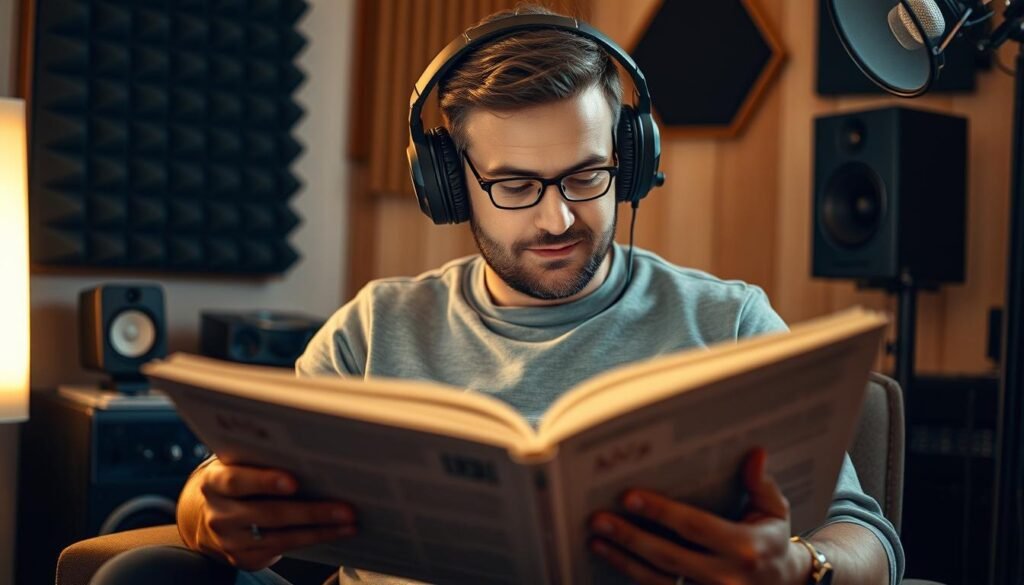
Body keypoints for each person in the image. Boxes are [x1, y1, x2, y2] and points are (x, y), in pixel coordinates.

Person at [93, 5, 904, 585]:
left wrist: (803, 567)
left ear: (629, 158)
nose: (559, 216)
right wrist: (214, 509)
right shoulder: (375, 327)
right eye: (515, 184)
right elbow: (218, 490)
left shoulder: (727, 321)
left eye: (587, 175)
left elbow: (866, 537)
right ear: (449, 186)